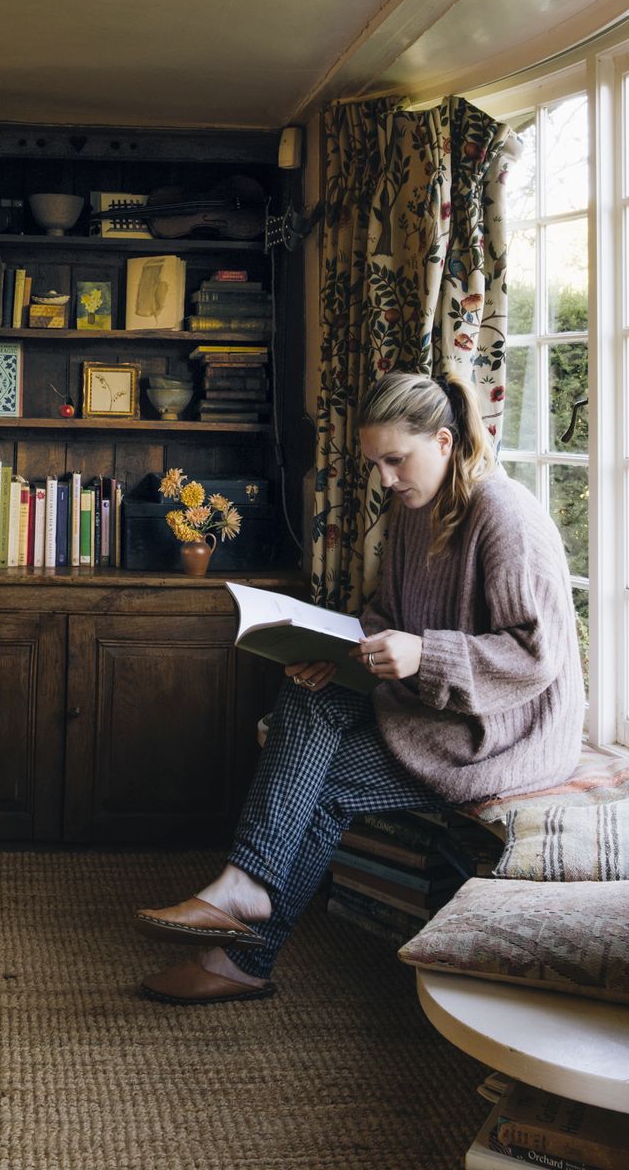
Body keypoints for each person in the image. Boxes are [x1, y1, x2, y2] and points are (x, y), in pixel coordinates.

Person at [133, 369, 586, 1005]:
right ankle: (243, 891)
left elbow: (537, 656)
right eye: (376, 464)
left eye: (396, 460)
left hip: (503, 733)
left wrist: (425, 654)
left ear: (445, 442)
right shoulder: (413, 509)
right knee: (309, 691)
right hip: (436, 705)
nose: (385, 479)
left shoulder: (504, 515)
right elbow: (387, 614)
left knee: (325, 790)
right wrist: (334, 651)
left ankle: (242, 946)